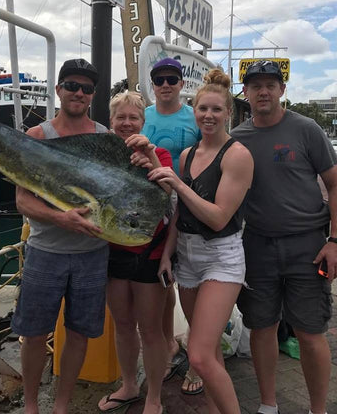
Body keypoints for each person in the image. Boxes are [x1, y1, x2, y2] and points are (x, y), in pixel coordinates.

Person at [231, 60, 337, 414]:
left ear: (282, 90)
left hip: (308, 246)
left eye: (270, 85)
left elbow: (335, 184)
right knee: (262, 326)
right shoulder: (237, 139)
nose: (263, 91)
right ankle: (267, 404)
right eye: (255, 85)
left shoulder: (307, 130)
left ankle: (318, 409)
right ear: (245, 92)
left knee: (310, 332)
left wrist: (334, 241)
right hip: (257, 246)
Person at [150, 69, 253, 414]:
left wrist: (178, 186)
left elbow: (219, 216)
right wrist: (167, 254)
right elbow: (182, 216)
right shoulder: (187, 156)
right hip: (187, 255)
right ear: (194, 112)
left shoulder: (237, 155)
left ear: (229, 113)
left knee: (198, 354)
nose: (209, 116)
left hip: (221, 256)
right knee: (207, 354)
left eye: (216, 110)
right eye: (203, 109)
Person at [11, 59, 108, 414]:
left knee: (80, 333)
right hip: (45, 252)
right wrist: (60, 218)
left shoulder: (105, 138)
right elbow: (23, 200)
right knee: (34, 333)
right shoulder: (36, 138)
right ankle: (32, 405)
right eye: (72, 86)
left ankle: (62, 405)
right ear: (58, 90)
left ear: (93, 95)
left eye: (86, 88)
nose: (79, 93)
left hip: (93, 254)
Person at [98, 92, 175, 414]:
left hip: (150, 254)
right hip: (113, 254)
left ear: (143, 123)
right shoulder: (99, 155)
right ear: (111, 121)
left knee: (151, 329)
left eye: (133, 118)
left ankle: (154, 396)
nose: (127, 123)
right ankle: (129, 385)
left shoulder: (160, 154)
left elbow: (173, 198)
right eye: (121, 118)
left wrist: (151, 161)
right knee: (124, 324)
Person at [142, 57, 201, 393]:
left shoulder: (194, 117)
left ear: (181, 84)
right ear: (153, 85)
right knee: (162, 287)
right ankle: (167, 347)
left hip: (188, 207)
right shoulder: (144, 116)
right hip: (152, 209)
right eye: (160, 80)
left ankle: (197, 361)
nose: (166, 85)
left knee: (191, 288)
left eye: (172, 79)